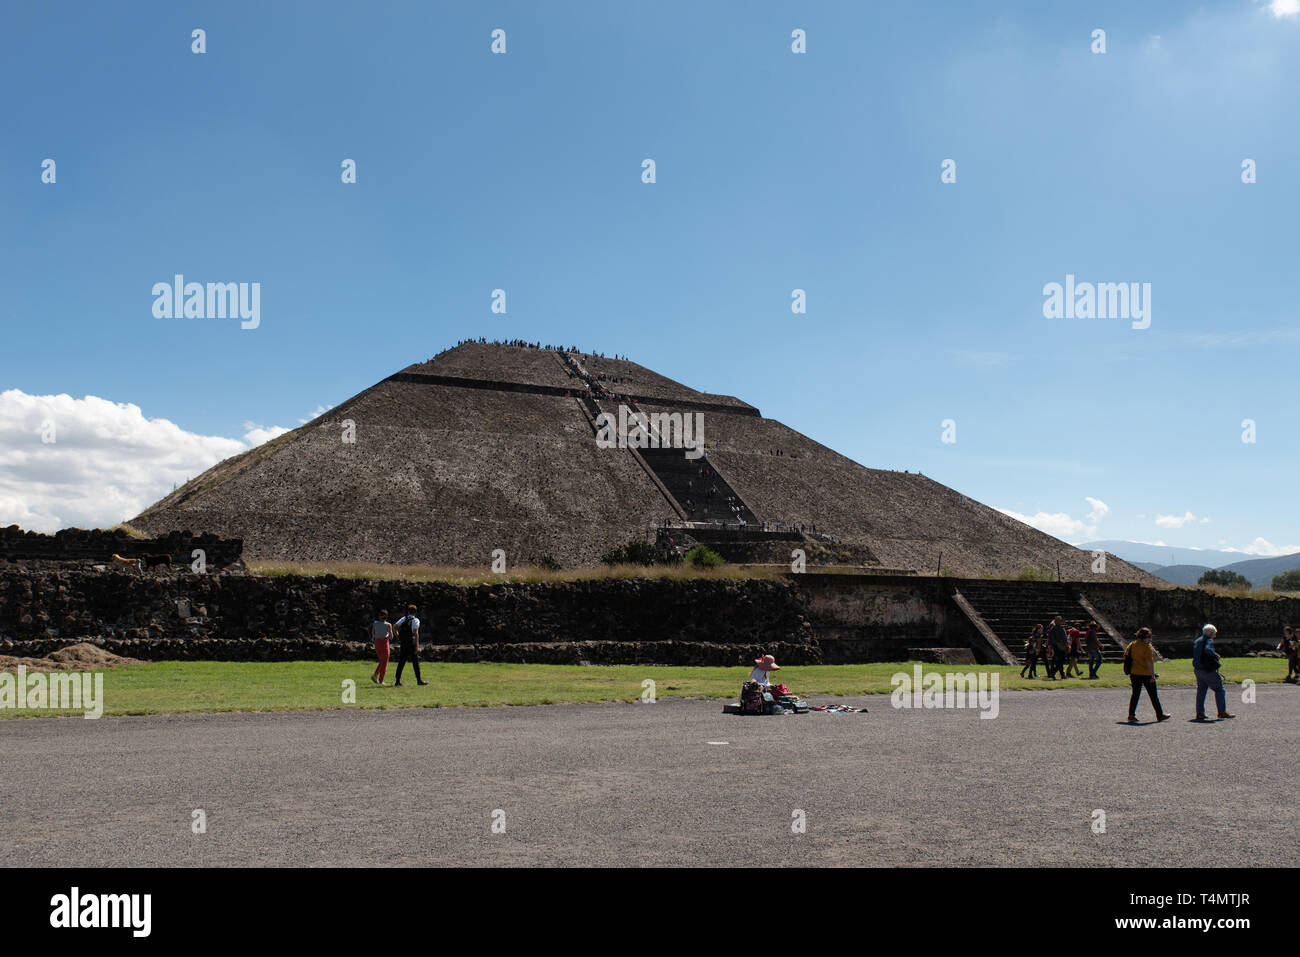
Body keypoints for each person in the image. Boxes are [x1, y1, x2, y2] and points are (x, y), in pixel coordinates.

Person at [1124, 627, 1170, 723]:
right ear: (1147, 637)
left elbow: (1126, 655)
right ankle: (1159, 714)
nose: (1150, 639)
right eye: (1149, 637)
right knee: (1153, 695)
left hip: (1134, 673)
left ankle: (1131, 714)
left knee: (1135, 694)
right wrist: (1152, 675)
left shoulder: (1132, 645)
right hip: (1145, 673)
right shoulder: (1147, 647)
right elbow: (1149, 662)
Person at [1192, 623, 1235, 721]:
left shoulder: (1197, 641)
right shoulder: (1209, 640)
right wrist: (1216, 655)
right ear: (1210, 633)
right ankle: (1221, 712)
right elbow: (1208, 650)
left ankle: (1200, 713)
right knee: (1219, 690)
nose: (1215, 636)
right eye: (1214, 634)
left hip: (1197, 669)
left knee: (1201, 691)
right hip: (1207, 670)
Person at [392, 604, 428, 687]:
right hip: (411, 642)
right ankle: (419, 680)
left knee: (401, 661)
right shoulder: (415, 620)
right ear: (415, 612)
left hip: (404, 643)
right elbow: (416, 633)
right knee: (415, 661)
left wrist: (399, 637)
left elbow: (394, 627)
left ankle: (397, 681)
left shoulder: (404, 618)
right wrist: (417, 646)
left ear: (408, 611)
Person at [371, 609, 392, 685]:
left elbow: (373, 633)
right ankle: (380, 680)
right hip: (384, 643)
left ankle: (375, 675)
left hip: (377, 642)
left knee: (382, 661)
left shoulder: (375, 623)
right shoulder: (388, 625)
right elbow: (391, 636)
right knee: (384, 662)